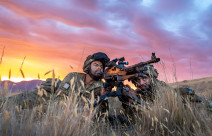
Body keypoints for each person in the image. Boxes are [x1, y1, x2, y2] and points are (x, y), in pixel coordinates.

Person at [0, 52, 110, 116]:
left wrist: (104, 97)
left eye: (101, 67)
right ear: (88, 66)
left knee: (21, 114)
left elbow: (101, 115)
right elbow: (59, 98)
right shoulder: (73, 76)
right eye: (96, 65)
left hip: (60, 112)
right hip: (49, 99)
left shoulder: (101, 87)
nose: (99, 69)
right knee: (12, 102)